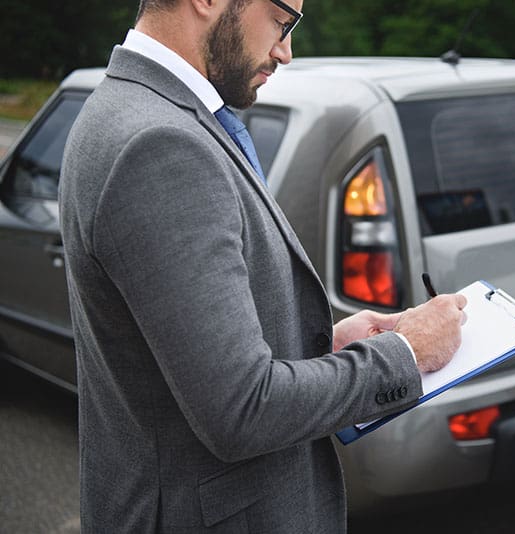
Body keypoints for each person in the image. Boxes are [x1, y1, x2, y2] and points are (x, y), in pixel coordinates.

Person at [58, 0, 467, 531]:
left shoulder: (128, 108)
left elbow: (181, 355)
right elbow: (241, 412)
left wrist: (320, 344)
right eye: (282, 20)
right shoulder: (160, 145)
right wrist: (407, 354)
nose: (286, 51)